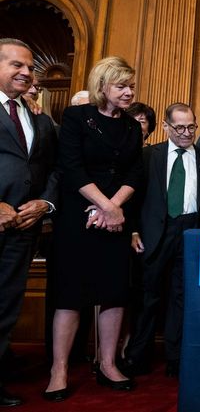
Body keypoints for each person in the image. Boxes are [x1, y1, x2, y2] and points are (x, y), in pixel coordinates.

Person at [44, 56, 143, 401]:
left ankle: (109, 364)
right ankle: (59, 369)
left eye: (131, 85)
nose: (129, 91)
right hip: (78, 215)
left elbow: (135, 174)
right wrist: (107, 206)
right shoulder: (76, 117)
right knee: (70, 294)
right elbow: (71, 168)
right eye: (122, 86)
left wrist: (114, 208)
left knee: (115, 292)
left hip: (114, 218)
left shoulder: (132, 126)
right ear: (102, 87)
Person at [121, 103, 200, 379]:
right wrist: (134, 230)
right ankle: (138, 357)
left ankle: (176, 358)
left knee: (180, 297)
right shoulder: (149, 156)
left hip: (190, 233)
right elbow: (133, 199)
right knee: (147, 297)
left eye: (191, 127)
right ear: (165, 127)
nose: (187, 133)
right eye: (180, 128)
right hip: (153, 234)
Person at [0, 38, 58, 407]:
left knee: (6, 305)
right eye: (16, 65)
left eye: (30, 67)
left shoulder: (37, 116)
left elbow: (52, 168)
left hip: (23, 229)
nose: (25, 72)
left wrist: (45, 202)